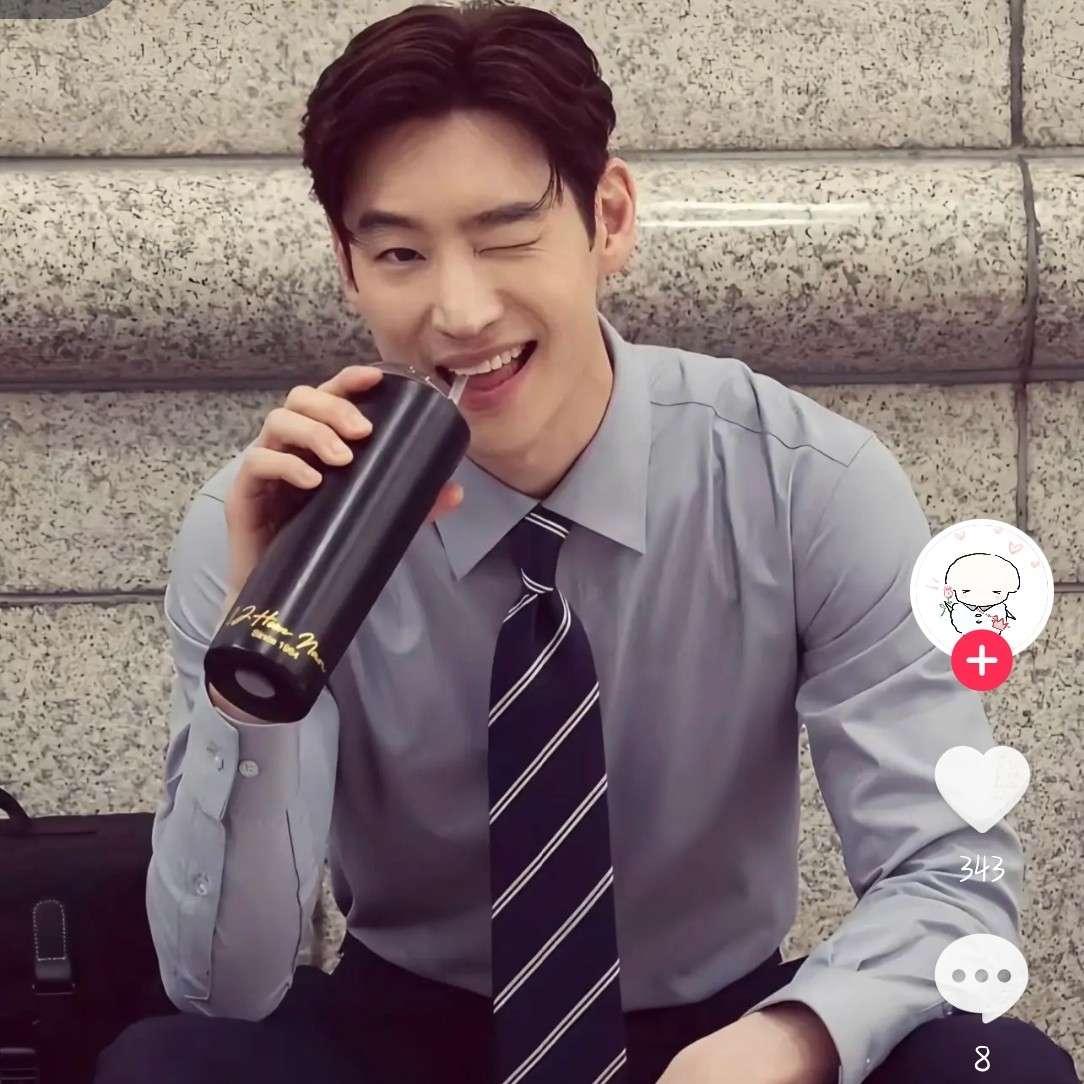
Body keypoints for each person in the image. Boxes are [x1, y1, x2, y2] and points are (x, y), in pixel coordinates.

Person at [95, 2, 1080, 1083]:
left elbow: (948, 876)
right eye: (401, 252)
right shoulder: (273, 518)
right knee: (168, 1065)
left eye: (506, 237)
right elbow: (222, 986)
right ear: (348, 262)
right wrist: (259, 658)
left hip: (717, 1031)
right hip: (406, 1029)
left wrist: (793, 1038)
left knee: (997, 1067)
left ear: (608, 218)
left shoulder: (806, 480)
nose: (460, 310)